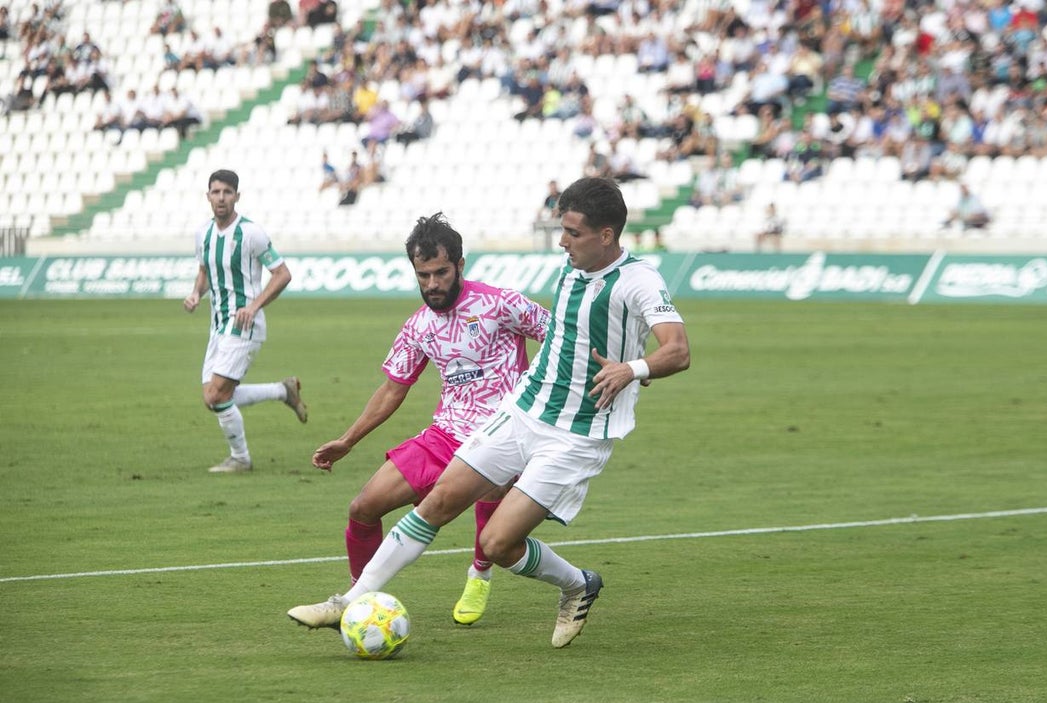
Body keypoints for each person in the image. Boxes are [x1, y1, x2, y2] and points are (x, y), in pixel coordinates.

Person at [288, 177, 691, 648]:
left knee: (498, 544)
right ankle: (348, 601)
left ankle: (578, 585)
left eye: (572, 233)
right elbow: (561, 338)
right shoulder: (571, 272)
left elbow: (678, 350)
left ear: (605, 235)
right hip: (523, 410)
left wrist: (633, 368)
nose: (562, 241)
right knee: (437, 502)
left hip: (576, 433)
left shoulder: (639, 280)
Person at [302, 212, 551, 624]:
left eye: (441, 273)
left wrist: (618, 370)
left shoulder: (500, 303)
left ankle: (479, 574)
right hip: (445, 434)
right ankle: (360, 599)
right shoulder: (418, 327)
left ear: (459, 265)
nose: (432, 284)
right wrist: (348, 440)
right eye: (423, 275)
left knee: (493, 491)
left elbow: (562, 337)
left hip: (502, 433)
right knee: (363, 507)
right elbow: (392, 390)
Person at [183, 169, 308, 473]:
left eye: (227, 192)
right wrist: (196, 293)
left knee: (217, 394)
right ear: (208, 196)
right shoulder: (203, 234)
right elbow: (205, 271)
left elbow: (282, 274)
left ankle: (240, 459)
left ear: (237, 196)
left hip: (244, 326)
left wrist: (254, 306)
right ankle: (283, 391)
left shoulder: (251, 234)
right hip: (218, 325)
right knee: (213, 398)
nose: (221, 198)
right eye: (216, 192)